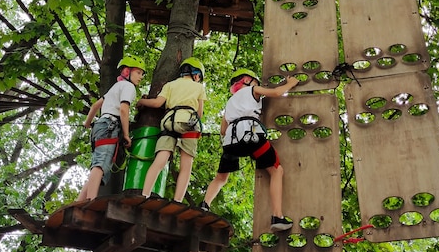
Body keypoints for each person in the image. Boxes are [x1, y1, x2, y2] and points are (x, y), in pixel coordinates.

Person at [201, 68, 299, 232]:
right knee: (276, 171)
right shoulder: (252, 90)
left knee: (221, 178)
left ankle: (204, 205)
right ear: (247, 80)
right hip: (252, 137)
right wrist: (290, 83)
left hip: (231, 142)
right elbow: (275, 93)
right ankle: (277, 216)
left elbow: (223, 130)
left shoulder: (230, 102)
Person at [137, 57, 207, 202]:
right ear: (196, 74)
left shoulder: (170, 85)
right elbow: (199, 113)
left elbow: (157, 103)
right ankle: (178, 201)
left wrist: (141, 101)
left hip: (170, 121)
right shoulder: (199, 88)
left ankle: (144, 194)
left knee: (160, 160)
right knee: (186, 166)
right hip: (189, 123)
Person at [78, 55, 145, 201]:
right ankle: (90, 201)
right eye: (138, 73)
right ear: (127, 72)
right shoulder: (128, 87)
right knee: (100, 165)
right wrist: (126, 135)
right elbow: (123, 110)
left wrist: (87, 123)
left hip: (100, 125)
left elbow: (96, 105)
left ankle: (79, 201)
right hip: (110, 125)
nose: (141, 77)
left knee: (99, 165)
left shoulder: (115, 87)